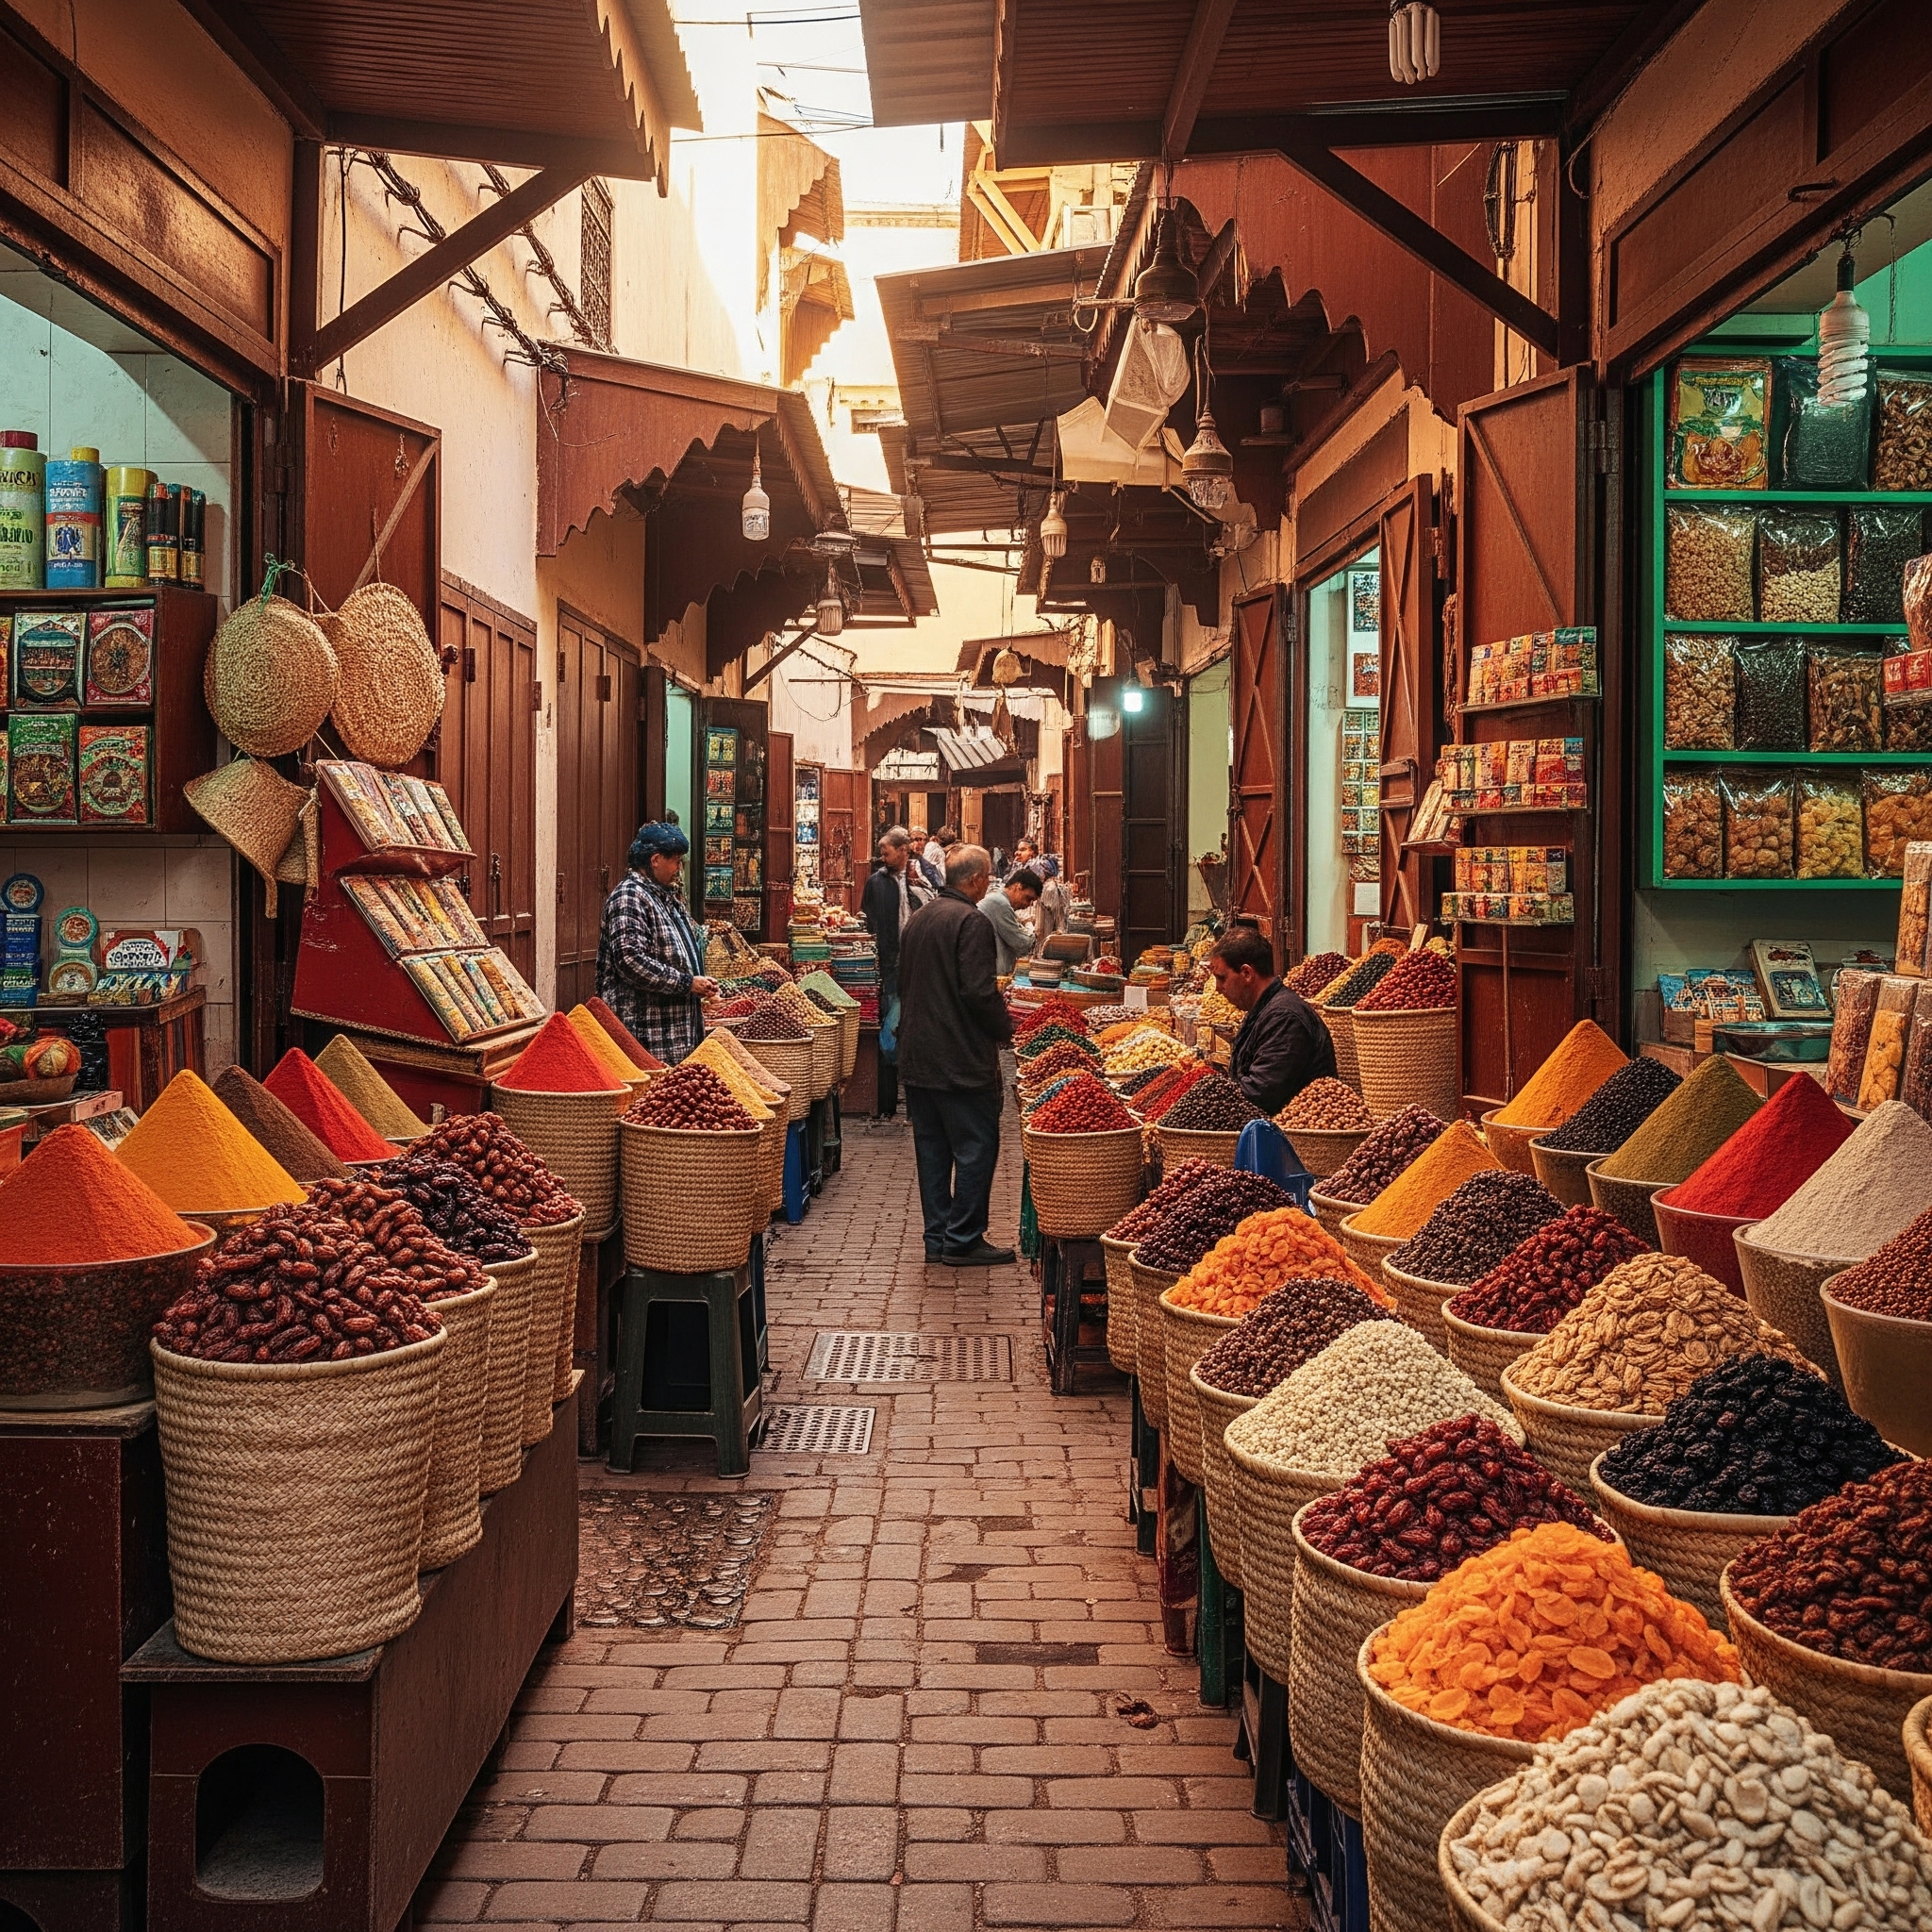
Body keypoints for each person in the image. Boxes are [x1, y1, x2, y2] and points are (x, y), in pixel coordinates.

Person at [895, 843, 1015, 1266]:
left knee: (932, 1151)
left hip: (917, 1056)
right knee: (975, 1148)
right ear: (979, 879)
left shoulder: (920, 918)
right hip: (960, 1059)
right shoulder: (971, 921)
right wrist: (1006, 1030)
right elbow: (979, 993)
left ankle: (937, 1237)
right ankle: (963, 1238)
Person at [596, 822, 718, 1065]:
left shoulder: (663, 897)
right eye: (675, 861)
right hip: (646, 1034)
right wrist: (687, 983)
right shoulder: (630, 896)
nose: (679, 868)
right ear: (655, 860)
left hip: (671, 1034)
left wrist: (700, 982)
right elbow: (630, 961)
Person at [1206, 926, 1336, 1116]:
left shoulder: (1284, 1018)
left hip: (1291, 1140)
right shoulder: (1263, 1010)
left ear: (1247, 973)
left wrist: (1210, 1101)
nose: (1217, 988)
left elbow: (1259, 1094)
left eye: (1222, 978)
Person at [858, 826, 933, 1118]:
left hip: (920, 963)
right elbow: (868, 918)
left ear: (903, 851)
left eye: (886, 853)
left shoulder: (923, 877)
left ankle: (917, 1101)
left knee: (917, 1029)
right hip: (890, 964)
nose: (882, 857)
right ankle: (888, 1100)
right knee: (890, 1027)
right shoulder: (876, 883)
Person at [978, 866, 1041, 977]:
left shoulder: (999, 901)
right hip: (992, 974)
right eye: (1028, 898)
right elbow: (1021, 943)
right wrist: (1032, 932)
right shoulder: (1000, 903)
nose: (1028, 904)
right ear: (1018, 887)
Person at [1029, 855, 1074, 960]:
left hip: (1046, 936)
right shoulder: (1049, 886)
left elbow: (1043, 924)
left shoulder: (1048, 889)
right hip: (1049, 935)